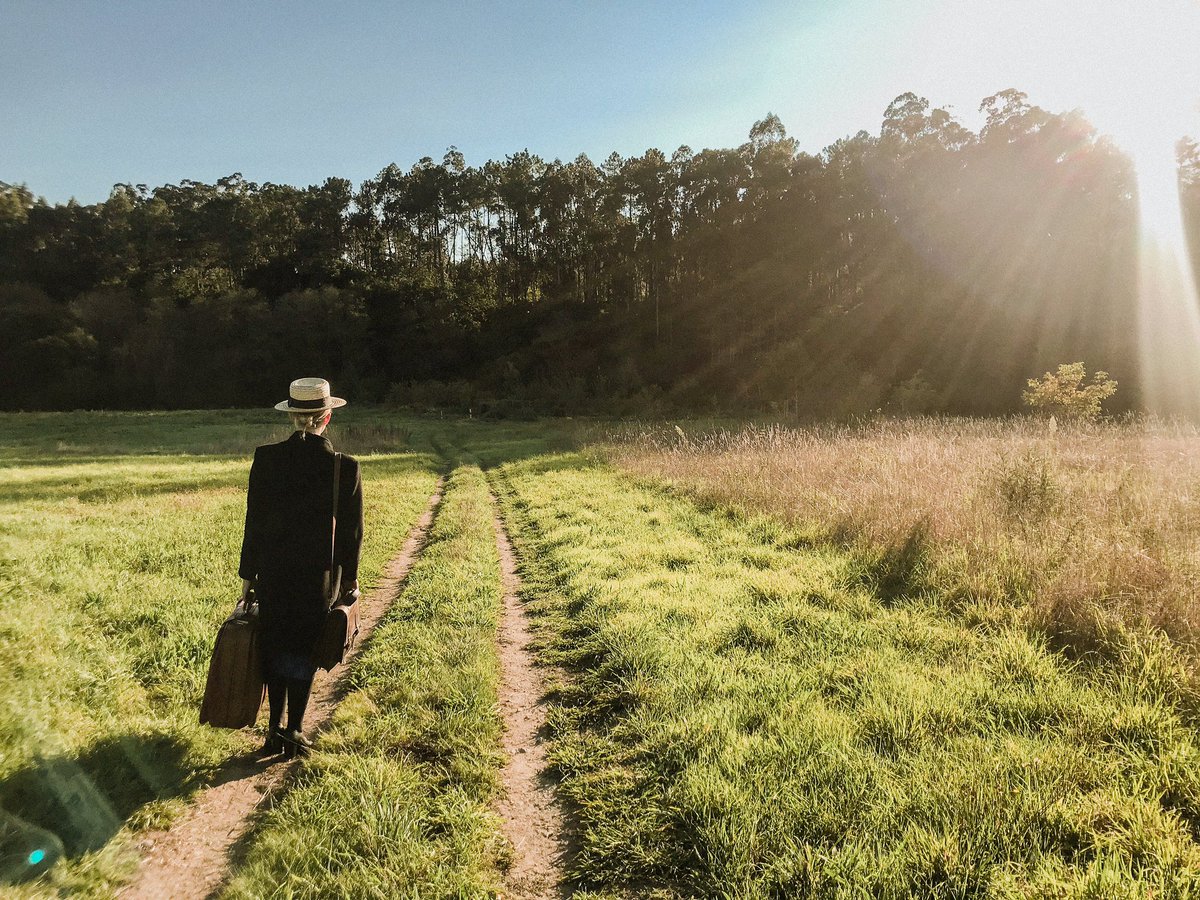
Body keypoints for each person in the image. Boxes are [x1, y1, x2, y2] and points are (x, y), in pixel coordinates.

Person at [237, 377, 364, 758]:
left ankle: (273, 728)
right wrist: (350, 582)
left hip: (273, 575)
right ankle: (294, 729)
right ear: (327, 418)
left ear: (293, 417)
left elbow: (253, 522)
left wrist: (248, 576)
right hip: (320, 579)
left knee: (275, 645)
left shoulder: (266, 459)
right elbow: (352, 535)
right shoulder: (344, 467)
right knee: (304, 650)